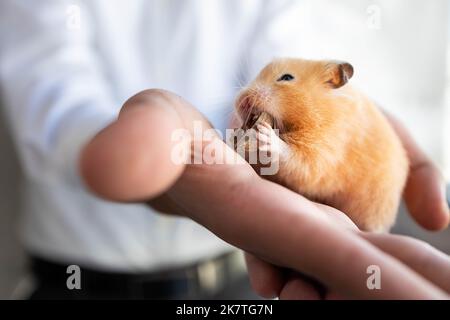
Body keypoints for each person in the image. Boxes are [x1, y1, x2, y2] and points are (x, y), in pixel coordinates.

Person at [0, 0, 448, 299]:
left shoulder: (333, 109)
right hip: (78, 277)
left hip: (241, 278)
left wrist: (259, 143)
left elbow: (288, 51)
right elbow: (45, 79)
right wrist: (117, 140)